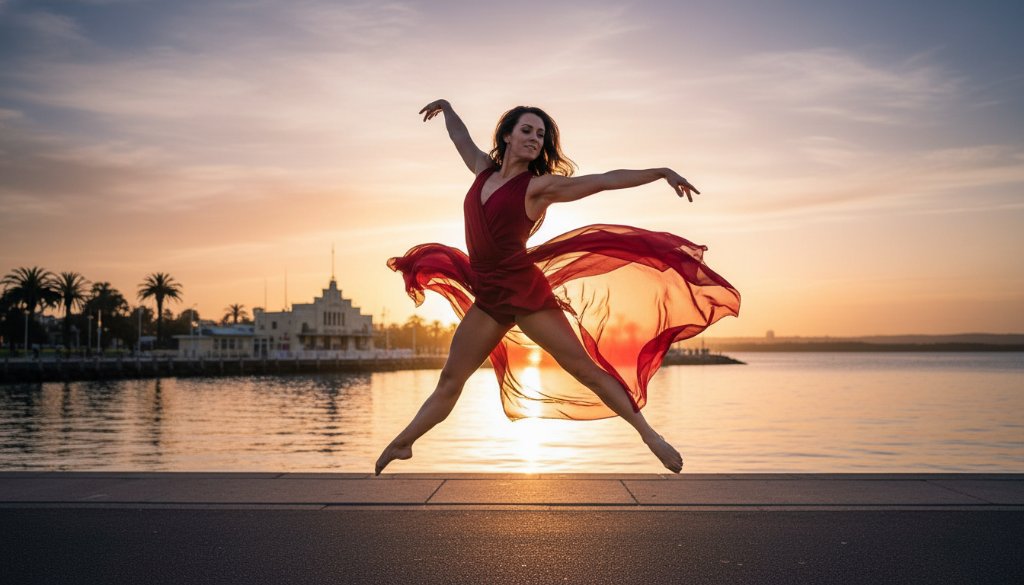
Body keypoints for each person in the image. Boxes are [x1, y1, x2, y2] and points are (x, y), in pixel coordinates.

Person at [375, 100, 740, 475]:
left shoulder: (538, 188)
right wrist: (448, 108)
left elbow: (602, 181)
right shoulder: (482, 171)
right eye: (527, 131)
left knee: (585, 370)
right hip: (489, 295)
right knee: (451, 379)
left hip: (524, 292)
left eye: (540, 134)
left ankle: (650, 436)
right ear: (507, 135)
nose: (535, 139)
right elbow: (460, 138)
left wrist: (660, 172)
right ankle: (404, 443)